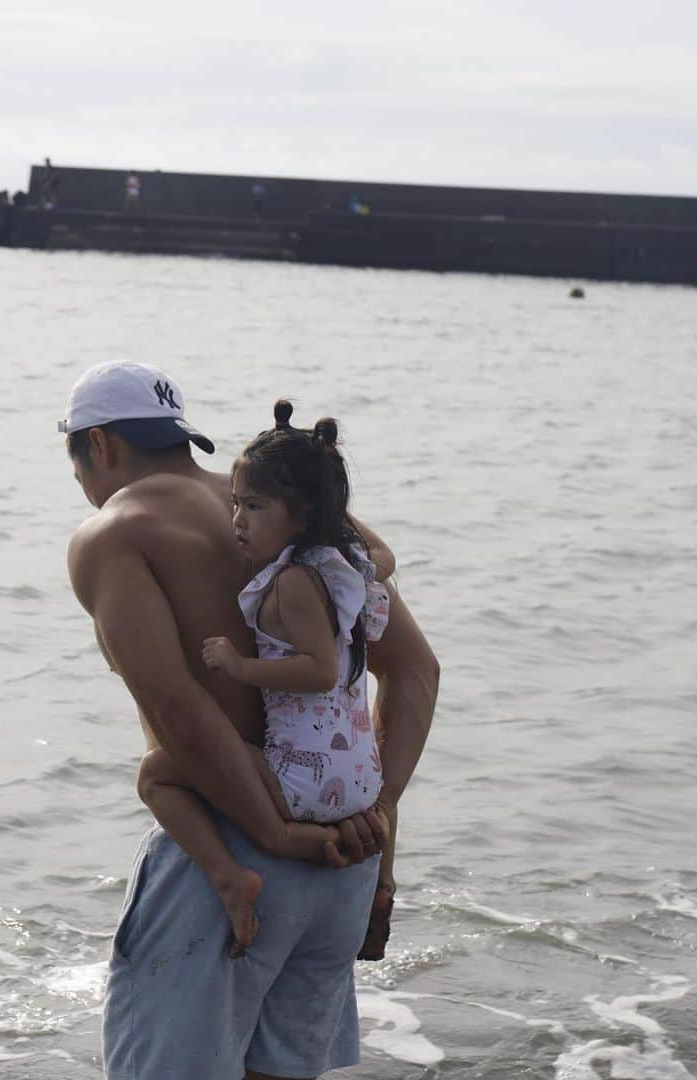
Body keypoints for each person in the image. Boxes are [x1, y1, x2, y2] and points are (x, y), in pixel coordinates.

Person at [62, 360, 439, 1079]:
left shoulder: (112, 535)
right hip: (346, 854)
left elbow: (176, 707)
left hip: (236, 860)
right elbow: (417, 672)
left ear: (100, 446)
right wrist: (378, 817)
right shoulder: (292, 513)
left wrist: (271, 834)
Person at [136, 399, 397, 958]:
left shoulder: (294, 583)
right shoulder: (344, 564)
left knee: (158, 773)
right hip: (360, 782)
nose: (236, 521)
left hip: (304, 781)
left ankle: (230, 875)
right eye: (235, 504)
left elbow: (320, 670)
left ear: (301, 516)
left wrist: (238, 666)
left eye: (254, 507)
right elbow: (386, 556)